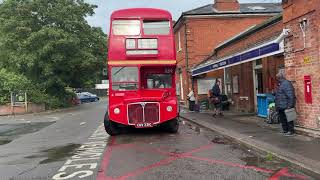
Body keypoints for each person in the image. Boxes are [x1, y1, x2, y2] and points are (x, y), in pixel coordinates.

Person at [275, 68, 296, 136]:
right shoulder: (281, 84)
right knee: (283, 119)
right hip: (281, 106)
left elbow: (291, 95)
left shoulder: (286, 83)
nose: (277, 77)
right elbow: (281, 94)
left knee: (289, 119)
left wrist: (290, 106)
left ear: (281, 76)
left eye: (278, 76)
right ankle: (285, 130)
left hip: (286, 106)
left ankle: (291, 131)